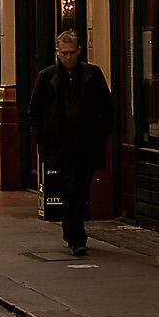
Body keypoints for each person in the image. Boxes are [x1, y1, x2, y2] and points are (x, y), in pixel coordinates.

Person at [29, 29, 112, 255]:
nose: (67, 57)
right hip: (61, 145)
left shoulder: (92, 75)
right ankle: (77, 238)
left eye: (71, 52)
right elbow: (35, 109)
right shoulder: (47, 77)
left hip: (86, 144)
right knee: (70, 188)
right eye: (63, 53)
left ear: (79, 51)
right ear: (57, 52)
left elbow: (107, 108)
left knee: (81, 189)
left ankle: (71, 230)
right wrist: (42, 136)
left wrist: (100, 134)